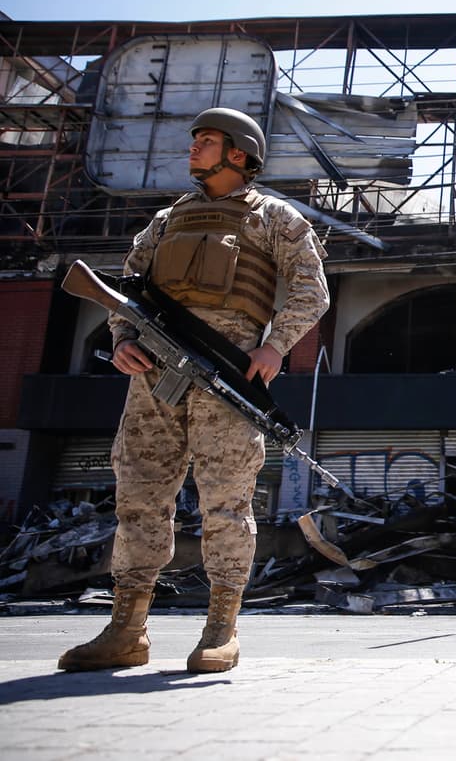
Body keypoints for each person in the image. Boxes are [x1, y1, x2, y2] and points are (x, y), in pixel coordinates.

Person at [58, 107, 330, 674]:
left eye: (206, 141)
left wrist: (276, 345)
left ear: (239, 153)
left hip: (228, 377)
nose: (193, 149)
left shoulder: (275, 218)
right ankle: (126, 630)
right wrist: (125, 338)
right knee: (138, 497)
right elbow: (126, 290)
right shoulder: (164, 221)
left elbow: (311, 290)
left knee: (226, 503)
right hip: (154, 377)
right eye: (195, 141)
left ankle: (220, 629)